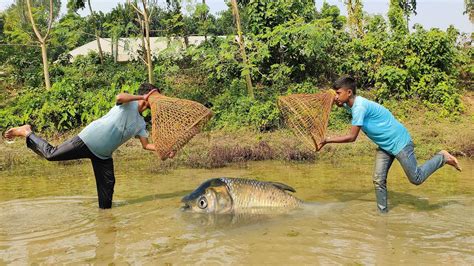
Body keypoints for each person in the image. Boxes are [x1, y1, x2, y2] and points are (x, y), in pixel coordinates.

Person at [3, 83, 174, 209]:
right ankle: (26, 132)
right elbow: (119, 97)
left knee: (107, 199)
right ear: (148, 96)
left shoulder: (141, 124)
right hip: (86, 140)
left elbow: (146, 145)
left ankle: (106, 222)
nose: (157, 101)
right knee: (51, 155)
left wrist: (164, 149)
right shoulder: (128, 103)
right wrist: (141, 97)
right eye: (156, 96)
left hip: (104, 156)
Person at [318, 76, 461, 213]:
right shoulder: (350, 103)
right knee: (378, 179)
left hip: (399, 143)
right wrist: (332, 100)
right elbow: (337, 103)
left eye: (338, 93)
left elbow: (352, 137)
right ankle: (383, 214)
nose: (335, 96)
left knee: (416, 179)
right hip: (385, 145)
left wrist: (327, 140)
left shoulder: (359, 107)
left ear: (349, 92)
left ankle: (442, 157)